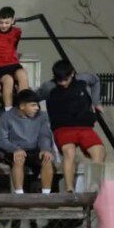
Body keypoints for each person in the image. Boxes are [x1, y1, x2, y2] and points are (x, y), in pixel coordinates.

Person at [38, 60, 106, 193]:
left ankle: (94, 189)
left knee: (99, 151)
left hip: (84, 126)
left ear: (72, 74)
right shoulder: (49, 86)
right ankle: (69, 189)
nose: (63, 83)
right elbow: (34, 96)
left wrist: (96, 102)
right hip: (63, 127)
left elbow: (96, 80)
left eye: (66, 80)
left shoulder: (83, 79)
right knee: (69, 152)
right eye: (60, 80)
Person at [0, 89, 55, 194]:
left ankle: (46, 194)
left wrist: (45, 149)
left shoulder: (42, 116)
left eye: (37, 105)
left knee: (47, 159)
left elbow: (44, 136)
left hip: (34, 150)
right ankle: (19, 194)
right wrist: (15, 149)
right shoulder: (6, 117)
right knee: (19, 158)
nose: (37, 108)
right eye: (33, 105)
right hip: (12, 150)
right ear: (22, 106)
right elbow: (1, 140)